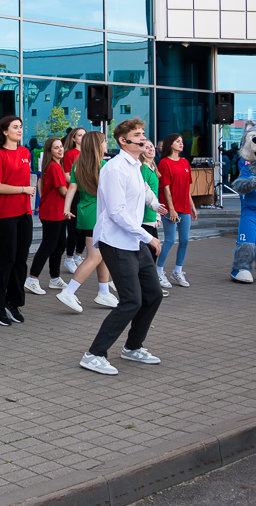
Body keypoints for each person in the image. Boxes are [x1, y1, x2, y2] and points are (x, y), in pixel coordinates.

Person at [79, 119, 168, 376]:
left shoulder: (135, 166)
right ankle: (94, 354)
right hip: (116, 242)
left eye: (143, 134)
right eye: (137, 135)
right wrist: (148, 237)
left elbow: (143, 190)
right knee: (131, 301)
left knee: (153, 295)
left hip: (133, 241)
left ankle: (132, 347)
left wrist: (155, 205)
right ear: (123, 140)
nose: (143, 138)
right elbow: (117, 213)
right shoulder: (115, 169)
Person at [55, 132, 121, 313]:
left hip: (86, 211)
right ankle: (69, 291)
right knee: (95, 256)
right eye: (104, 142)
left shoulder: (78, 164)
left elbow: (72, 188)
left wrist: (66, 208)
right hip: (98, 214)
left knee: (103, 253)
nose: (106, 144)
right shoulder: (104, 166)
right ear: (97, 145)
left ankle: (104, 292)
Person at [0, 116, 36, 326]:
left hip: (24, 212)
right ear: (5, 131)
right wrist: (23, 189)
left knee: (21, 260)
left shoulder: (25, 153)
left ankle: (13, 302)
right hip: (4, 213)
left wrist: (24, 191)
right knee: (7, 259)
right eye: (15, 127)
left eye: (21, 127)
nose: (20, 130)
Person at [26, 136, 68, 295]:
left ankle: (54, 278)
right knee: (49, 245)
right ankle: (32, 278)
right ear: (50, 151)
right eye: (56, 148)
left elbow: (41, 183)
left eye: (61, 146)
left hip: (58, 210)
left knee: (60, 244)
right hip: (52, 211)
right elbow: (63, 191)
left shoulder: (55, 165)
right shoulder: (54, 167)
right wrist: (78, 186)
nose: (60, 149)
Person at [157, 134, 197, 288]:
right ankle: (159, 271)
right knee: (170, 240)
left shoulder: (185, 162)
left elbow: (187, 188)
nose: (181, 144)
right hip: (170, 207)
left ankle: (178, 271)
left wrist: (192, 206)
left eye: (182, 141)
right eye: (177, 141)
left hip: (184, 206)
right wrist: (171, 209)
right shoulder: (164, 163)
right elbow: (165, 188)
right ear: (170, 144)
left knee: (185, 240)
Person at [139, 139, 169, 299]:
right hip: (144, 217)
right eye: (146, 147)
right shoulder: (143, 169)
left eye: (152, 146)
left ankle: (148, 286)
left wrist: (157, 215)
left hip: (151, 216)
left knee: (152, 253)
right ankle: (148, 287)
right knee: (150, 254)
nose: (150, 149)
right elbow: (144, 194)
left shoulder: (151, 168)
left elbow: (154, 194)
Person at [61, 126, 87, 272]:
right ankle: (69, 257)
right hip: (76, 193)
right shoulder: (70, 154)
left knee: (86, 228)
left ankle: (78, 255)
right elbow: (67, 175)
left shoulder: (88, 154)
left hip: (87, 194)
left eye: (84, 135)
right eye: (80, 135)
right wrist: (81, 183)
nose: (83, 137)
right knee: (74, 228)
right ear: (73, 138)